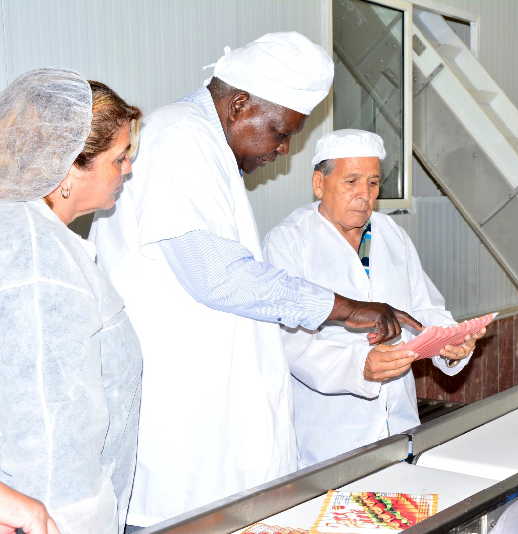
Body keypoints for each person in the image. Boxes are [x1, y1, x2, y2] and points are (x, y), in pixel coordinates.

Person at [90, 32, 421, 527]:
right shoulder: (178, 139)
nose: (283, 149)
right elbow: (219, 278)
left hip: (223, 437)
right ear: (239, 104)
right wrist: (351, 309)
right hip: (183, 436)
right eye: (280, 132)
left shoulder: (210, 151)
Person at [264, 130, 486, 467]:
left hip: (400, 425)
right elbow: (287, 341)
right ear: (319, 183)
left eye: (372, 183)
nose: (363, 195)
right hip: (330, 436)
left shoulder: (390, 233)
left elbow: (424, 308)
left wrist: (449, 344)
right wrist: (358, 367)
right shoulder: (290, 242)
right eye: (351, 181)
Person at [0, 69, 143, 534]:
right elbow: (45, 425)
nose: (128, 169)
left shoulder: (37, 239)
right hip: (58, 512)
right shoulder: (38, 263)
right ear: (68, 166)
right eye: (119, 158)